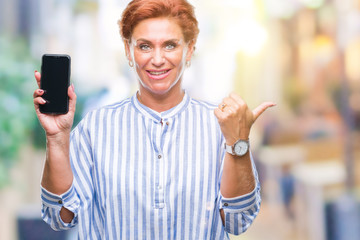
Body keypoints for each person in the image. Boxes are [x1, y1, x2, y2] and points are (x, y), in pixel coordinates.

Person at [33, 0, 275, 239]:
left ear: (189, 50)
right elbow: (59, 217)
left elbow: (238, 220)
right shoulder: (95, 127)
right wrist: (56, 139)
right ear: (129, 51)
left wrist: (238, 143)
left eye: (170, 45)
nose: (157, 59)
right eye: (145, 46)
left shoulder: (219, 126)